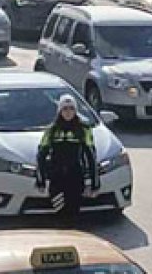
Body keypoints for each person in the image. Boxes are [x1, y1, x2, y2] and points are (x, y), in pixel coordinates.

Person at [35, 94, 98, 223]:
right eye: (65, 109)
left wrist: (94, 183)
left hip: (75, 177)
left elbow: (91, 156)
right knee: (59, 213)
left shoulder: (83, 129)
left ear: (75, 110)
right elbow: (41, 155)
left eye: (71, 108)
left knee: (73, 214)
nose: (68, 112)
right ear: (60, 111)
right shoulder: (52, 130)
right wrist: (40, 181)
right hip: (57, 178)